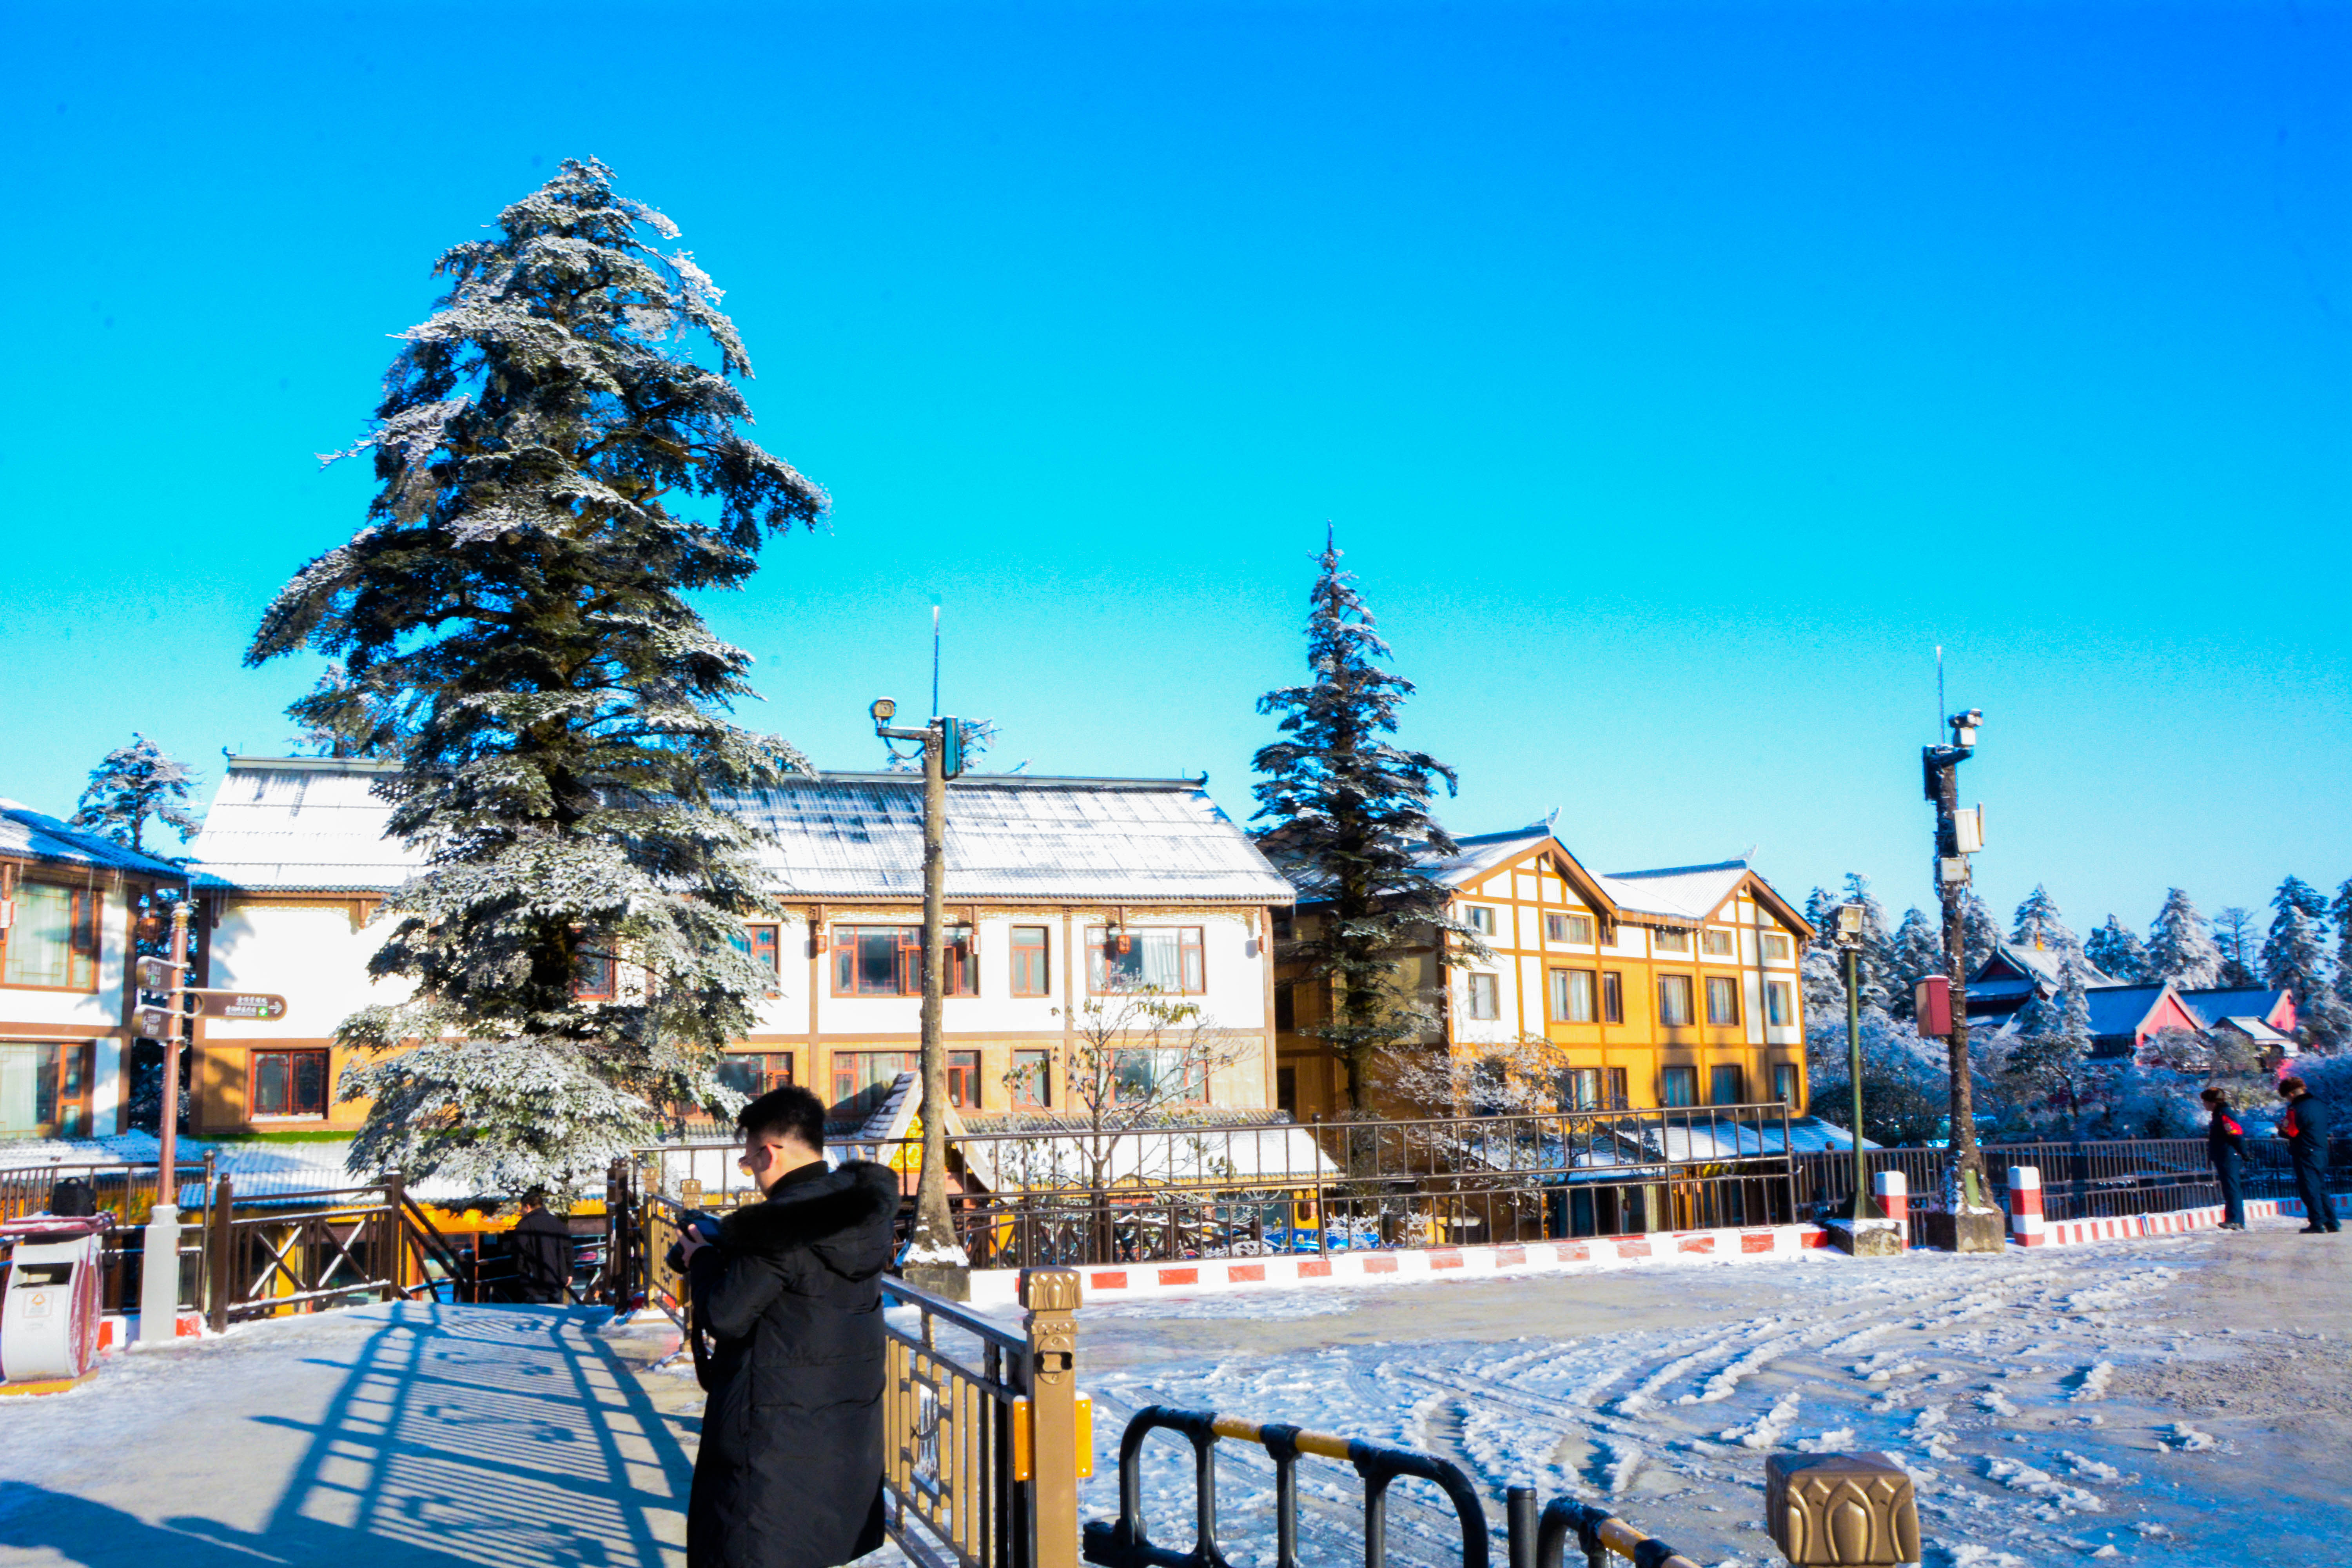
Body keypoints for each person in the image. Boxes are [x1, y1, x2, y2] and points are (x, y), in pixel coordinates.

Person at [681, 1085, 902, 1568]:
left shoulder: (779, 1228)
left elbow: (726, 1314)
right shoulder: (860, 1208)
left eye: (748, 1161)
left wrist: (702, 1260)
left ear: (769, 1151)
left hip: (772, 1438)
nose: (753, 1173)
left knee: (754, 1545)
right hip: (841, 1430)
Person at [2278, 1076, 2340, 1236]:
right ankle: (2332, 1222)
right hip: (2321, 1150)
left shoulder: (2296, 1109)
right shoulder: (2320, 1104)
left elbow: (2290, 1132)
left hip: (2305, 1151)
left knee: (2309, 1189)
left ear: (2291, 1094)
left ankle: (2317, 1222)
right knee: (2321, 1187)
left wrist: (2280, 1129)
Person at [513, 1187, 573, 1304]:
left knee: (536, 1314)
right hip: (557, 1278)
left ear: (528, 1207)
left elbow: (519, 1250)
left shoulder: (525, 1224)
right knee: (555, 1313)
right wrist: (569, 1272)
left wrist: (521, 1271)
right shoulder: (557, 1222)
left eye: (522, 1208)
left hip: (534, 1281)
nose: (521, 1211)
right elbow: (568, 1249)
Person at [2200, 1087, 2246, 1230]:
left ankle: (2235, 1220)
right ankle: (2234, 1219)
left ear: (2213, 1102)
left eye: (2205, 1102)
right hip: (2225, 1154)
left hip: (2228, 1155)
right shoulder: (2220, 1114)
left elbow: (2235, 1133)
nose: (2204, 1105)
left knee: (2232, 1188)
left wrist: (2243, 1152)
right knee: (2230, 1188)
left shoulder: (2224, 1114)